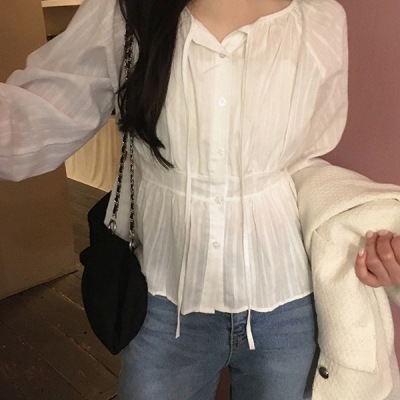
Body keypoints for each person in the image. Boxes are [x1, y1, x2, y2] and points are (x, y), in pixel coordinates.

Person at [1, 0, 400, 399]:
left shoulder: (320, 19)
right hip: (162, 300)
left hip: (286, 301)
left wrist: (376, 233)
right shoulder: (127, 10)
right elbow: (34, 119)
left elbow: (302, 160)